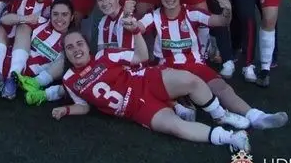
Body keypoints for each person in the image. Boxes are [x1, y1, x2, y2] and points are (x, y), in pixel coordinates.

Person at [53, 30, 252, 152]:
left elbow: (142, 56)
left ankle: (220, 115)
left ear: (87, 46)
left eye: (79, 43)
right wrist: (66, 110)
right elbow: (83, 106)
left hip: (146, 82)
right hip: (137, 109)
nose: (76, 49)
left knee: (190, 80)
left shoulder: (105, 55)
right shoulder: (69, 79)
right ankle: (230, 138)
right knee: (176, 127)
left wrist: (135, 31)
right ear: (66, 53)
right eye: (69, 47)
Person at [137, 0, 289, 130]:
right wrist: (129, 20)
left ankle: (257, 116)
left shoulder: (191, 13)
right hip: (168, 69)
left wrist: (227, 11)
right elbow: (137, 27)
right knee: (157, 89)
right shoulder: (153, 16)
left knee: (222, 88)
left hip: (194, 65)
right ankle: (183, 105)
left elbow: (221, 21)